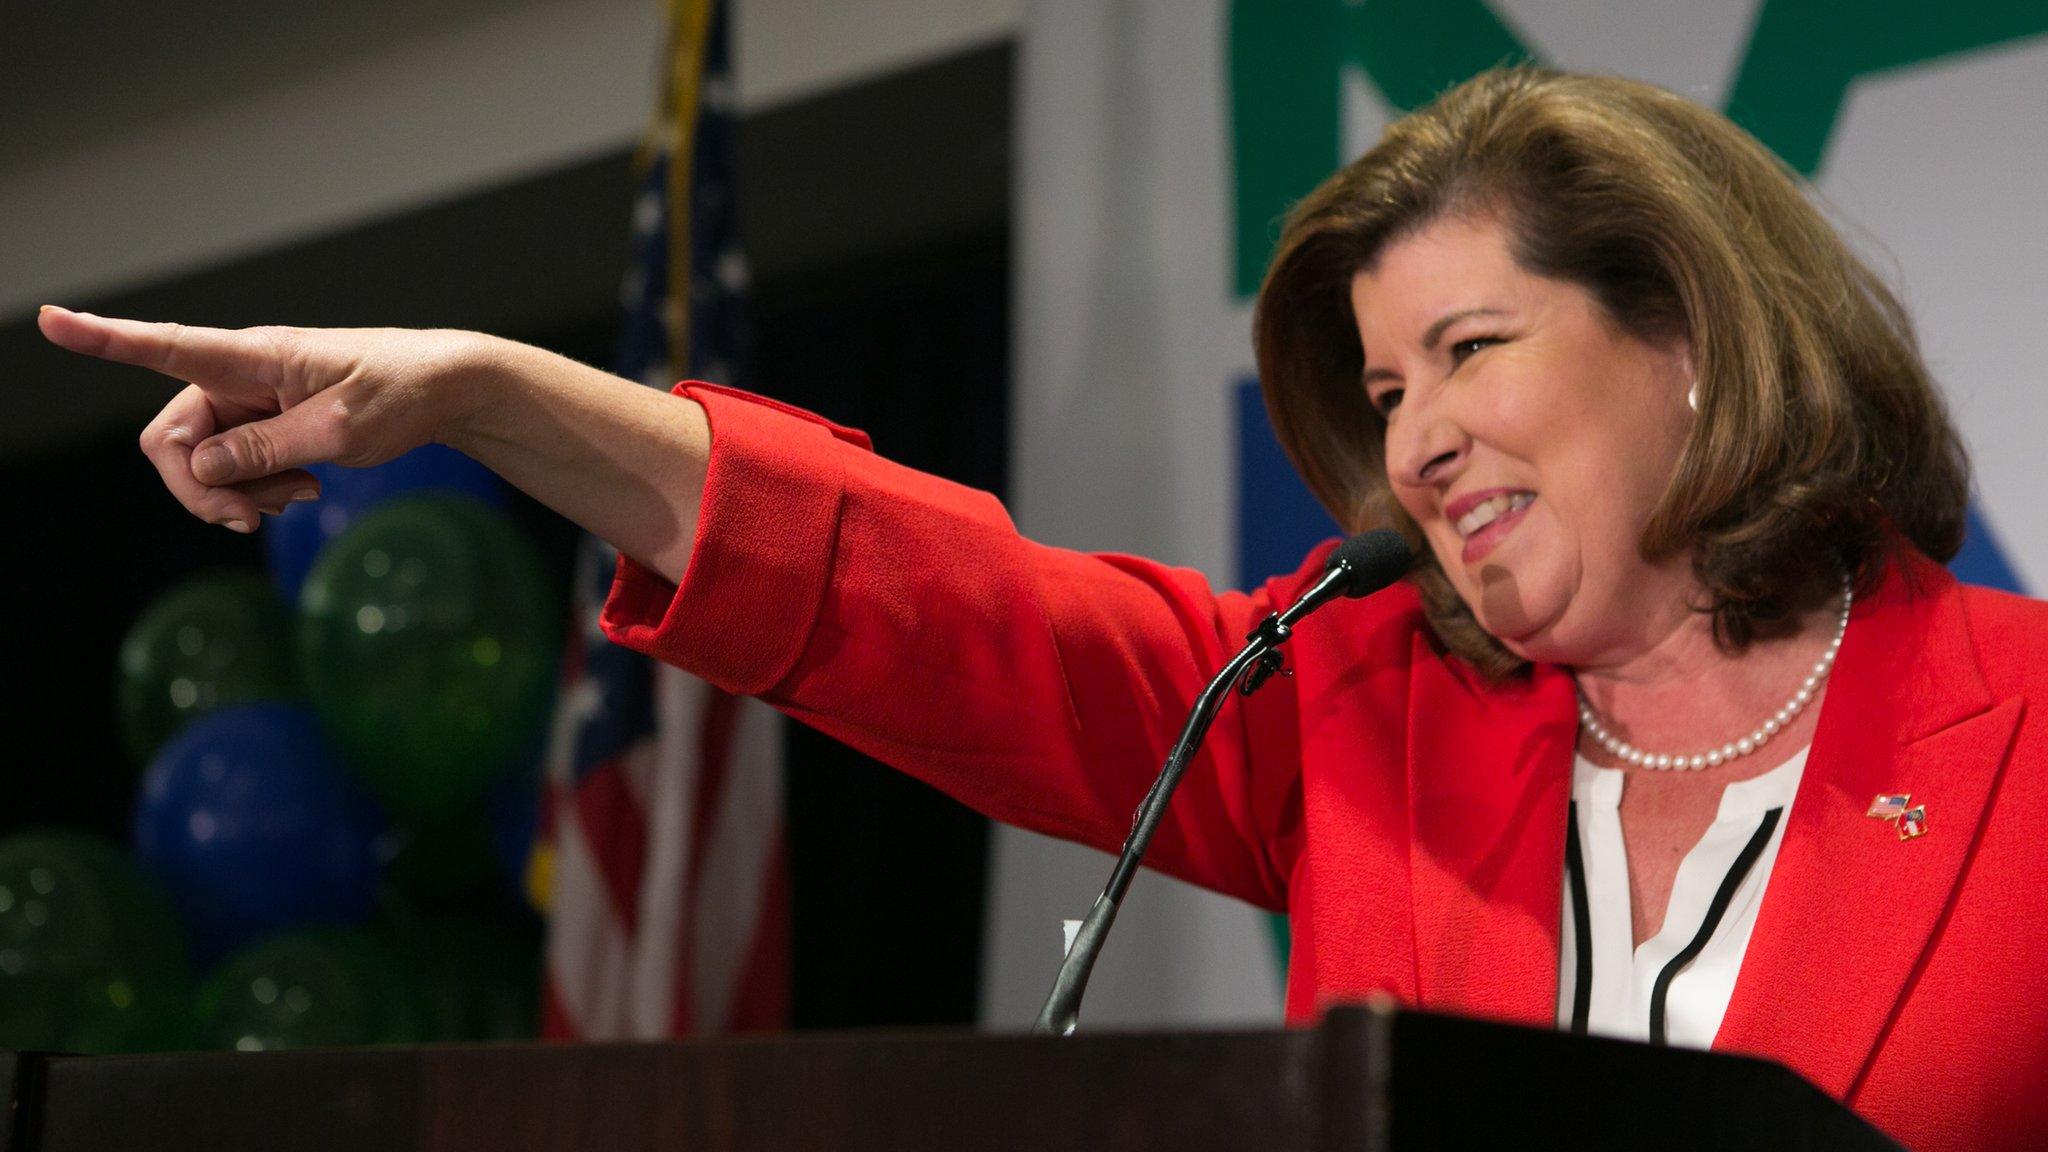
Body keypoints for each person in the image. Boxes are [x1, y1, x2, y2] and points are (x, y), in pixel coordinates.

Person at [43, 67, 2047, 1150]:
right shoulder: (1352, 717)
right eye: (1379, 392)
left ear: (1685, 334)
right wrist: (494, 392)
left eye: (1468, 349)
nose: (1413, 440)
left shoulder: (2022, 730)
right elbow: (948, 610)